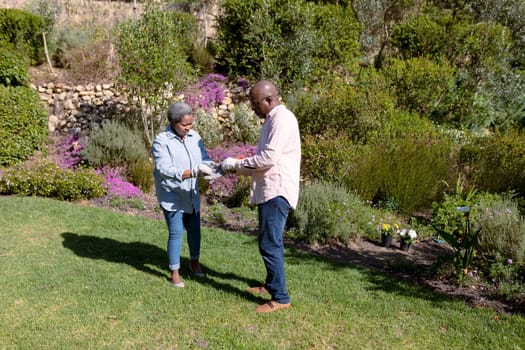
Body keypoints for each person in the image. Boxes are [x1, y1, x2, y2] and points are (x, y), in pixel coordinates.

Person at [221, 80, 301, 313]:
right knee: (268, 241)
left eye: (255, 104)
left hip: (276, 191)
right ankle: (270, 285)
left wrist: (237, 163)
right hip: (270, 188)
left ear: (268, 100)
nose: (254, 108)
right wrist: (234, 167)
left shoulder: (282, 119)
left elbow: (267, 159)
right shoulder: (272, 120)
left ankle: (281, 298)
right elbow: (263, 163)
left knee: (269, 243)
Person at [152, 102, 218, 288]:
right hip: (171, 195)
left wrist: (214, 167)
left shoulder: (194, 136)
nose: (189, 128)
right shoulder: (161, 141)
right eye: (185, 125)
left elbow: (204, 158)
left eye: (191, 124)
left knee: (195, 231)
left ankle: (194, 263)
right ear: (173, 122)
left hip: (191, 193)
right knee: (176, 232)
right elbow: (164, 168)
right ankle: (175, 272)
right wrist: (193, 172)